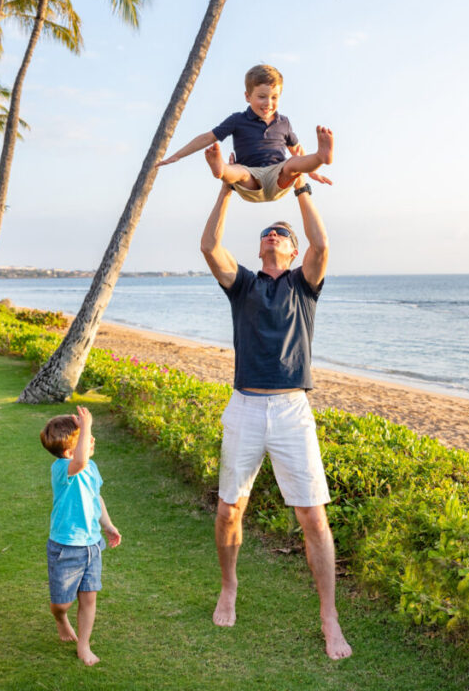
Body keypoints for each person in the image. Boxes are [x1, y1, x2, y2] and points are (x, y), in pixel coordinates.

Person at [200, 152, 352, 660]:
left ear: (291, 250)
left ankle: (329, 618)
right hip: (245, 406)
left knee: (314, 518)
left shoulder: (303, 285)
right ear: (261, 246)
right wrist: (227, 184)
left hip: (291, 411)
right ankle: (229, 587)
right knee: (229, 509)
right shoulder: (243, 284)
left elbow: (322, 244)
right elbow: (209, 246)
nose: (273, 235)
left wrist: (302, 185)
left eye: (281, 234)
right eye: (268, 231)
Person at [158, 63, 333, 202]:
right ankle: (221, 170)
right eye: (262, 97)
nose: (268, 103)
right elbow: (207, 137)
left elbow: (297, 151)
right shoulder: (237, 120)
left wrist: (312, 170)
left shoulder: (284, 122)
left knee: (292, 164)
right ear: (247, 96)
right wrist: (177, 156)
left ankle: (320, 157)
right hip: (251, 179)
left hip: (278, 177)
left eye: (274, 97)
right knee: (239, 172)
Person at [40, 405, 121, 666]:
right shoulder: (62, 469)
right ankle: (60, 618)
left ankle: (84, 645)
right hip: (66, 548)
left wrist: (108, 525)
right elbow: (80, 461)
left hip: (92, 546)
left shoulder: (91, 467)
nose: (91, 438)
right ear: (68, 453)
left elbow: (96, 497)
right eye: (85, 437)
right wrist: (86, 425)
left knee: (89, 597)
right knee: (62, 603)